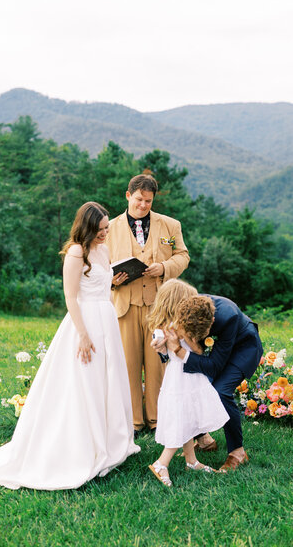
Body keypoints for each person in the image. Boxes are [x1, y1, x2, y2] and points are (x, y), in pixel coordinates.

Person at [0, 202, 140, 490]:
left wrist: (113, 283)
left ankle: (110, 440)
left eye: (107, 228)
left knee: (107, 380)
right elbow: (71, 296)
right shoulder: (75, 253)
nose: (106, 233)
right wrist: (83, 335)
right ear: (87, 227)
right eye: (100, 229)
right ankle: (81, 444)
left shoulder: (104, 250)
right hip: (84, 323)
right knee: (85, 382)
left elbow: (97, 286)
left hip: (106, 320)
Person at [106, 174, 190, 433]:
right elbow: (97, 266)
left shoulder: (170, 225)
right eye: (139, 199)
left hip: (159, 308)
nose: (143, 205)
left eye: (148, 201)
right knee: (128, 365)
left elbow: (183, 256)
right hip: (124, 306)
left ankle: (157, 419)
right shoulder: (108, 228)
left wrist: (164, 267)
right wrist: (112, 281)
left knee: (158, 364)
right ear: (128, 195)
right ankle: (133, 421)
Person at [152, 279, 263, 472]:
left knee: (220, 391)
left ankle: (238, 452)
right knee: (190, 389)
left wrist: (177, 349)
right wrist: (163, 349)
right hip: (212, 354)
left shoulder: (225, 315)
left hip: (243, 348)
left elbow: (213, 367)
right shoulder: (185, 312)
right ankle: (204, 439)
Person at [148, 295, 229, 487]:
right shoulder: (168, 329)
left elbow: (198, 352)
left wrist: (185, 338)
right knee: (182, 419)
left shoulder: (188, 330)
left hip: (192, 377)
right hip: (178, 379)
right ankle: (161, 463)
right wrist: (160, 343)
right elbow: (161, 347)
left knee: (190, 417)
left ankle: (191, 461)